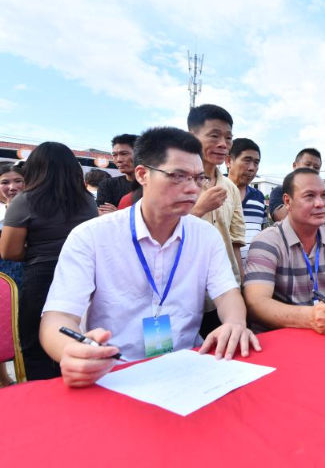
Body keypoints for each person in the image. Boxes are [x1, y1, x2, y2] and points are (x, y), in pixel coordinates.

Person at [38, 127, 260, 388]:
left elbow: (227, 294)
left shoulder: (206, 236)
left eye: (199, 179)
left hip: (189, 367)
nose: (192, 189)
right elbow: (57, 318)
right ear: (143, 174)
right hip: (115, 372)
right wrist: (71, 351)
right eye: (178, 176)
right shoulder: (91, 236)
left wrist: (235, 323)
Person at [0, 142, 98, 380]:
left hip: (41, 277)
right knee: (76, 338)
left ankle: (45, 397)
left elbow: (9, 252)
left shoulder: (26, 200)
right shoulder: (86, 201)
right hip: (83, 276)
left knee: (35, 343)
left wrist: (36, 252)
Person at [244, 169, 325, 334]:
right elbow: (256, 304)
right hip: (280, 339)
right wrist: (309, 317)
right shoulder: (267, 242)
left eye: (324, 195)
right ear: (287, 202)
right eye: (309, 196)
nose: (320, 203)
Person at [187, 104, 246, 336]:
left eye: (228, 137)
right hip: (183, 292)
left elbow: (235, 243)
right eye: (214, 135)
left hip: (222, 294)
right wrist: (199, 209)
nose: (223, 144)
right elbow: (161, 232)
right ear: (192, 136)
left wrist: (239, 286)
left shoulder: (230, 188)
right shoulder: (175, 182)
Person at [269, 148, 325, 230]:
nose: (311, 169)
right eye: (307, 164)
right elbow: (281, 216)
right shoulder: (279, 191)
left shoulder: (322, 194)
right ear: (295, 166)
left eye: (316, 167)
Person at [226, 138, 267, 263]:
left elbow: (261, 231)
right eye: (247, 160)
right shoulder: (214, 191)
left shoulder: (259, 197)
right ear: (228, 161)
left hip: (255, 273)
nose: (252, 168)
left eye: (256, 163)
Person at [0, 162, 26, 289]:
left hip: (25, 278)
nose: (12, 187)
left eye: (18, 181)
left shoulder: (38, 212)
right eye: (5, 182)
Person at [96, 134, 138, 214]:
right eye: (114, 155)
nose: (118, 160)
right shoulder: (107, 185)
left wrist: (117, 213)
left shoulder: (153, 186)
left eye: (124, 154)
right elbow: (104, 215)